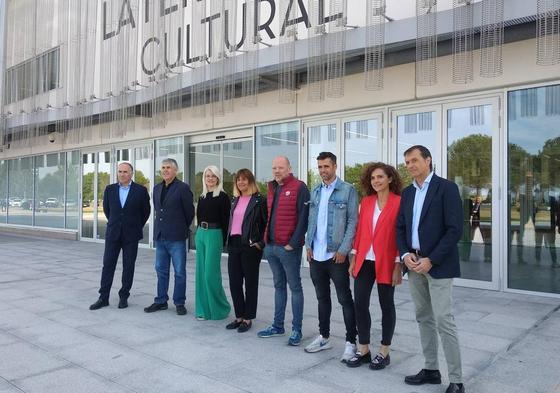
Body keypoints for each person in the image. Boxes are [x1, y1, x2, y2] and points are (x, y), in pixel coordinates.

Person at [396, 145, 465, 393]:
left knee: (443, 320)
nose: (411, 165)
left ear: (428, 160)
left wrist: (431, 260)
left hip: (438, 265)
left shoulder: (446, 188)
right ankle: (431, 370)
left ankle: (456, 380)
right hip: (413, 264)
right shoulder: (407, 193)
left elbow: (455, 229)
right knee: (423, 318)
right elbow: (401, 228)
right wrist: (405, 254)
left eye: (415, 160)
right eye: (407, 162)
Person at [346, 162, 403, 370]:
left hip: (388, 260)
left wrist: (398, 263)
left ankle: (384, 351)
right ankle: (364, 350)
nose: (376, 181)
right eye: (372, 178)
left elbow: (401, 235)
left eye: (380, 177)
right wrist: (354, 257)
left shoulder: (399, 202)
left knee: (386, 305)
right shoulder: (367, 201)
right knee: (360, 303)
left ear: (390, 179)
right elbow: (360, 231)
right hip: (365, 259)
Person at [304, 152, 358, 362]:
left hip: (336, 255)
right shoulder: (316, 190)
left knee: (345, 299)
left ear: (335, 166)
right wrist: (308, 244)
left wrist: (344, 249)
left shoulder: (347, 190)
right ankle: (324, 337)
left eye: (326, 166)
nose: (323, 170)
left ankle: (350, 342)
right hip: (315, 255)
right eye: (320, 167)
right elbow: (311, 220)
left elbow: (353, 221)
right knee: (321, 298)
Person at [257, 156, 310, 346]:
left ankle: (296, 329)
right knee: (279, 286)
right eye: (274, 168)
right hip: (271, 247)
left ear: (289, 168)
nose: (277, 171)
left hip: (288, 248)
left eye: (280, 167)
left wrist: (293, 244)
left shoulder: (299, 187)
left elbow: (304, 218)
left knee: (295, 287)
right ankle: (278, 325)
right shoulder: (272, 188)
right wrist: (266, 241)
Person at [90, 162, 151, 310]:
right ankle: (103, 297)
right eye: (120, 171)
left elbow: (145, 212)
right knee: (108, 265)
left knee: (128, 266)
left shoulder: (141, 190)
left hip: (131, 235)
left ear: (131, 174)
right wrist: (116, 223)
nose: (122, 174)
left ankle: (124, 296)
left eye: (125, 172)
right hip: (113, 234)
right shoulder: (110, 190)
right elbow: (107, 210)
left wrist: (135, 225)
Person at [144, 158, 194, 316]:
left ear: (175, 171)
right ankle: (161, 301)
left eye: (168, 168)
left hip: (177, 237)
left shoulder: (183, 188)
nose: (165, 170)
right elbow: (159, 211)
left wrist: (180, 227)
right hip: (160, 236)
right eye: (163, 167)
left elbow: (189, 213)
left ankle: (179, 302)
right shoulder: (157, 188)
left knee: (179, 271)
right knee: (161, 270)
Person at [225, 168, 268, 333]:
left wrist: (260, 243)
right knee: (234, 282)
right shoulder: (235, 200)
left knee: (250, 283)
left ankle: (248, 318)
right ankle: (239, 316)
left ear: (251, 181)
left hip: (250, 246)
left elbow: (266, 224)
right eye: (238, 180)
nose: (241, 182)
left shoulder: (259, 200)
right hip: (234, 244)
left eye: (244, 179)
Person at [195, 165, 231, 320]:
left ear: (218, 178)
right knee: (201, 274)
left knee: (211, 274)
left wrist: (223, 242)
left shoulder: (223, 196)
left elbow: (226, 220)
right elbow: (198, 216)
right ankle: (203, 310)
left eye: (213, 176)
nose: (210, 178)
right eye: (207, 176)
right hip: (201, 234)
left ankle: (220, 308)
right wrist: (198, 233)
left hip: (215, 235)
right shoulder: (202, 196)